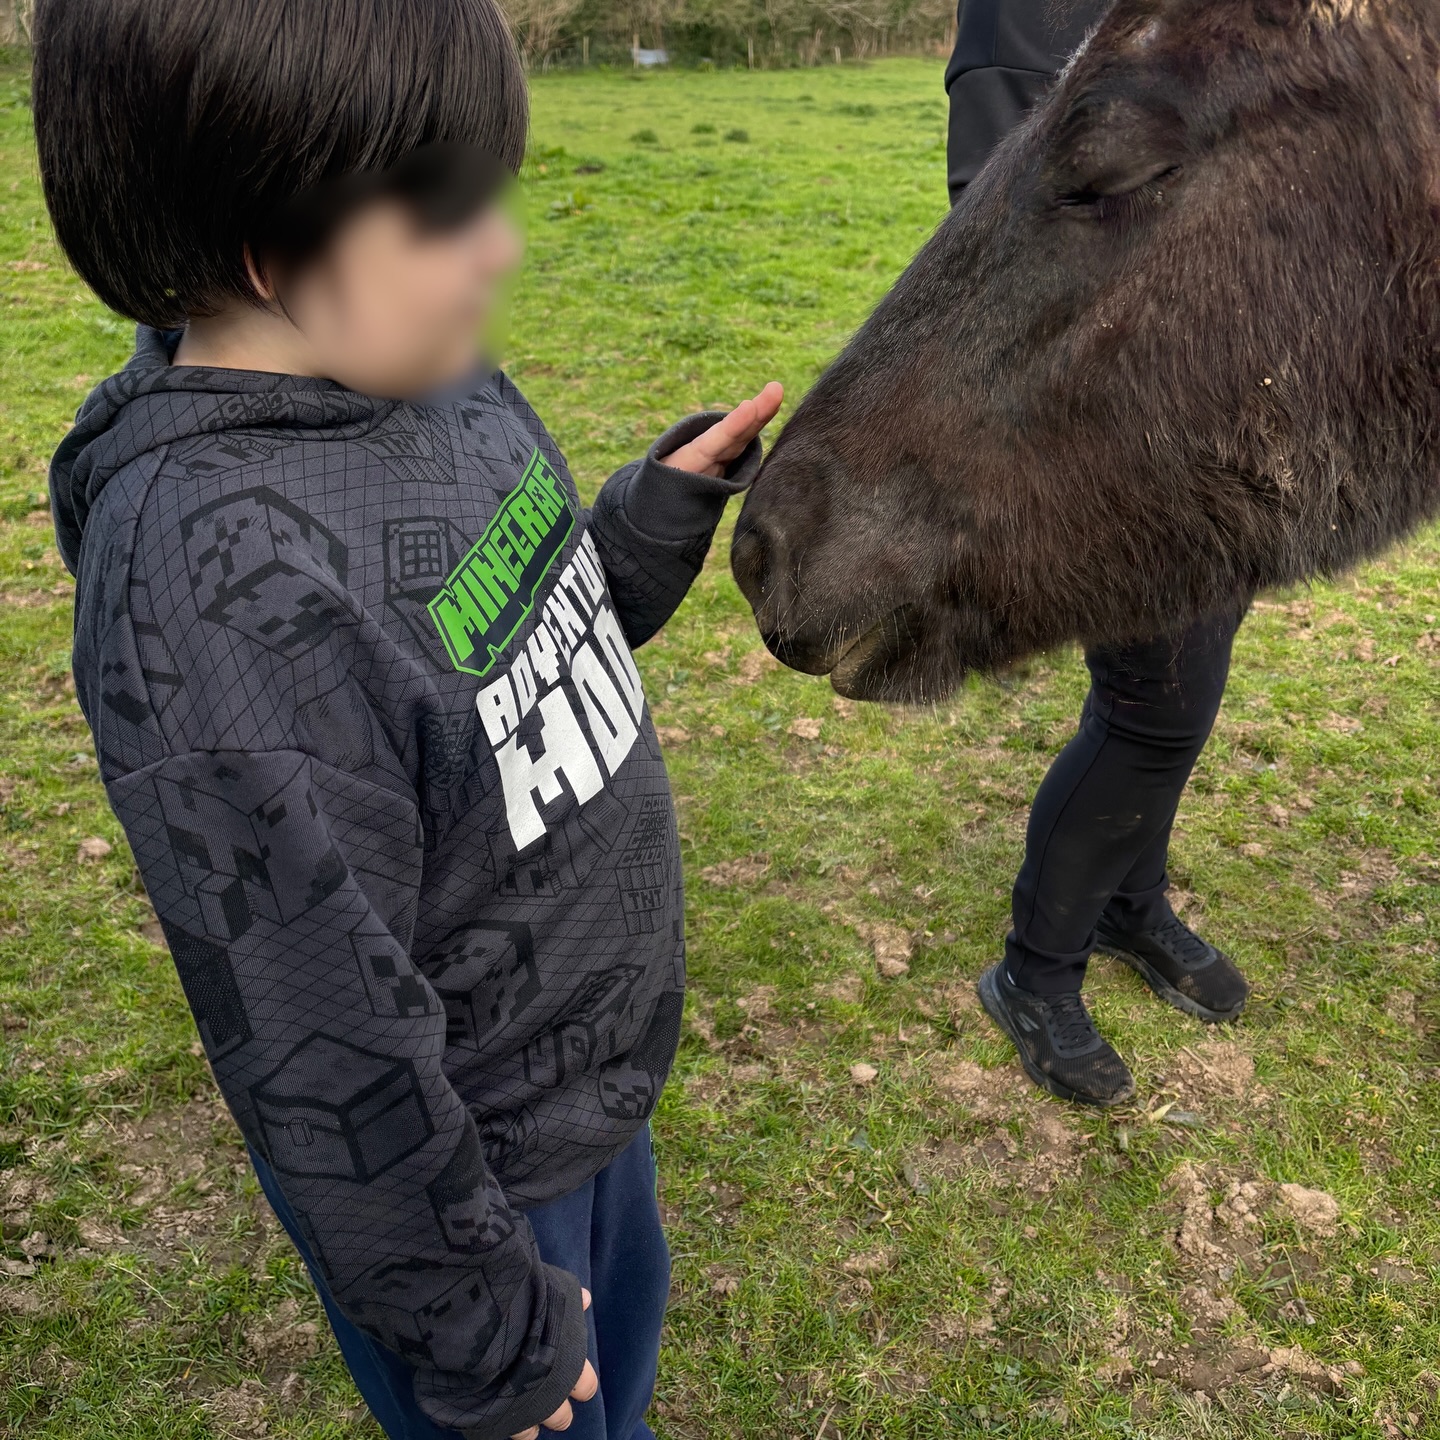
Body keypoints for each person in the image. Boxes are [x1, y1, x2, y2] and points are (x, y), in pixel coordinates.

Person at [32, 3, 782, 1437]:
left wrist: (644, 523)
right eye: (447, 215)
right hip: (471, 1180)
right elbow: (321, 1042)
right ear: (271, 247)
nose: (499, 249)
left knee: (620, 1379)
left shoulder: (426, 371)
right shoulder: (215, 601)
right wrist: (483, 1329)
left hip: (586, 1092)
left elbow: (494, 657)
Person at [947, 0, 1251, 1108]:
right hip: (1113, 435)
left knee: (1182, 697)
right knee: (1151, 709)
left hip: (1220, 416)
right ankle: (1035, 972)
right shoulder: (1022, 23)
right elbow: (1007, 253)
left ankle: (1131, 900)